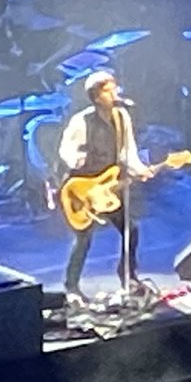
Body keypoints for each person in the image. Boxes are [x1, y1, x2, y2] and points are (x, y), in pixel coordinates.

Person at [57, 70, 152, 303]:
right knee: (84, 239)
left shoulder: (122, 117)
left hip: (108, 187)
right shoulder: (81, 121)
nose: (115, 93)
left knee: (131, 229)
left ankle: (127, 274)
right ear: (97, 96)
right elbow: (65, 149)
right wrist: (75, 159)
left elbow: (127, 151)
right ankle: (71, 286)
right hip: (82, 188)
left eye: (115, 88)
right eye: (109, 90)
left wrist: (140, 169)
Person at [0, 0, 69, 81]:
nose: (14, 10)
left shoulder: (52, 28)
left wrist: (44, 66)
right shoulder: (0, 26)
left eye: (19, 6)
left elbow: (66, 49)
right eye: (11, 6)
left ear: (30, 7)